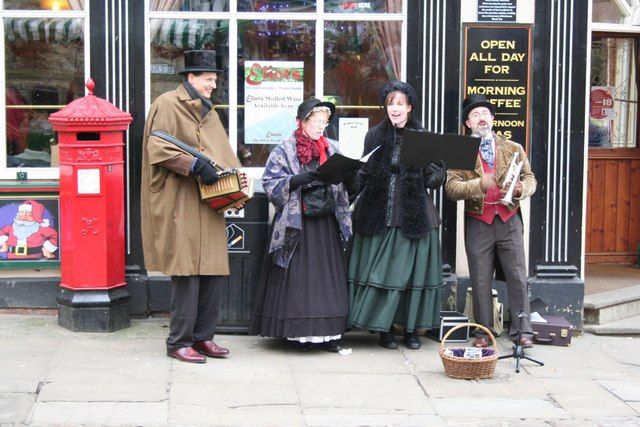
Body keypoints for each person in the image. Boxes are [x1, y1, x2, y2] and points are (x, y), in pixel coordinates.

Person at [141, 49, 243, 364]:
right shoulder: (167, 104)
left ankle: (203, 338)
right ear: (191, 78)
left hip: (209, 203)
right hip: (179, 201)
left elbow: (221, 150)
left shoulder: (209, 112)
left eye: (215, 79)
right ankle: (178, 342)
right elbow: (157, 146)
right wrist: (194, 165)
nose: (213, 85)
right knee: (186, 273)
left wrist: (234, 179)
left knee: (212, 271)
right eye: (209, 79)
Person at [348, 80, 447, 350]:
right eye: (391, 103)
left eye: (400, 104)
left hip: (413, 216)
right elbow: (363, 173)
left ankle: (412, 330)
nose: (395, 109)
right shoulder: (374, 135)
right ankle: (385, 329)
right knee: (383, 276)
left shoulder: (423, 136)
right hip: (379, 214)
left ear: (410, 108)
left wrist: (438, 171)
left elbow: (434, 180)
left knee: (412, 277)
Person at [251, 98, 352, 352]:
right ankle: (299, 335)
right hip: (297, 225)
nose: (321, 127)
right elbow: (271, 183)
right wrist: (297, 180)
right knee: (299, 281)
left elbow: (346, 188)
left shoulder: (332, 148)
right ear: (301, 122)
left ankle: (328, 333)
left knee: (325, 279)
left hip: (326, 224)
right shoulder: (284, 149)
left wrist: (351, 176)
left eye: (324, 122)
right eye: (316, 121)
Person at [444, 93, 537, 349]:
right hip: (478, 221)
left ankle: (522, 331)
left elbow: (531, 179)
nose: (481, 118)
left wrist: (521, 189)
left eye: (485, 113)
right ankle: (484, 332)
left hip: (509, 219)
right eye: (475, 115)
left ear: (493, 118)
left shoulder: (513, 148)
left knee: (518, 276)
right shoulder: (460, 151)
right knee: (480, 278)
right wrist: (478, 184)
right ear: (468, 123)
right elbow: (451, 189)